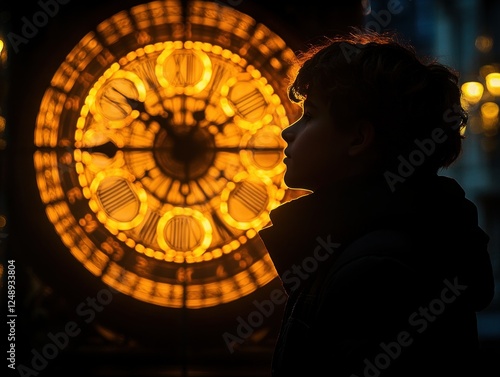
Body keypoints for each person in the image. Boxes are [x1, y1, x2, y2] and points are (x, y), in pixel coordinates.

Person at [258, 28, 495, 377]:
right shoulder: (389, 245)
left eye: (310, 115)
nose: (288, 131)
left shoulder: (377, 270)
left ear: (358, 137)